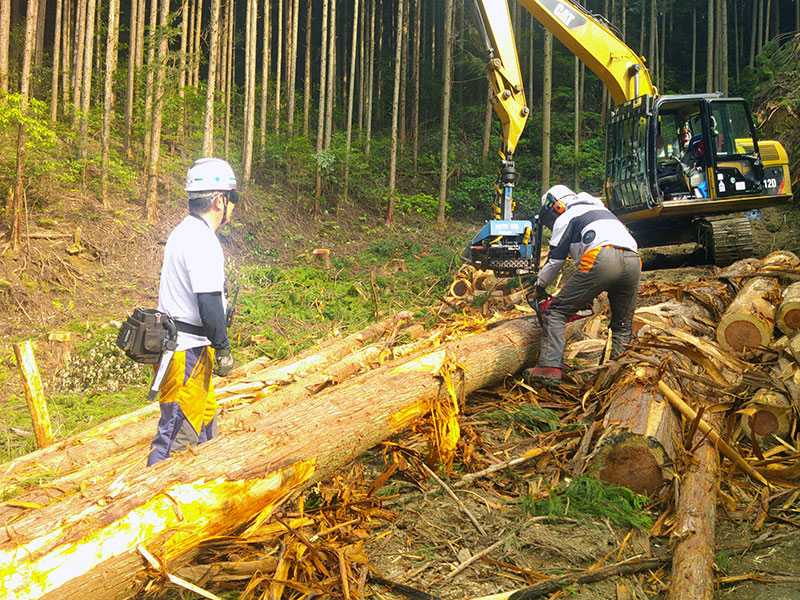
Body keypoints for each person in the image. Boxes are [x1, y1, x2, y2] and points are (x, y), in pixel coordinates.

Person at [147, 158, 238, 466]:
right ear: (218, 200)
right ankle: (148, 503)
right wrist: (223, 348)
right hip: (186, 352)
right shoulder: (201, 240)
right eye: (232, 198)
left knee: (204, 425)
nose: (233, 206)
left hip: (191, 351)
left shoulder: (184, 232)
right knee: (176, 436)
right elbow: (209, 302)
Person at [523, 185, 640, 387]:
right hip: (633, 261)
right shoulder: (603, 211)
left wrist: (539, 287)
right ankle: (615, 375)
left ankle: (549, 368)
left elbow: (555, 261)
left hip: (601, 258)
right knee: (622, 325)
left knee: (556, 311)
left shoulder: (567, 216)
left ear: (556, 206)